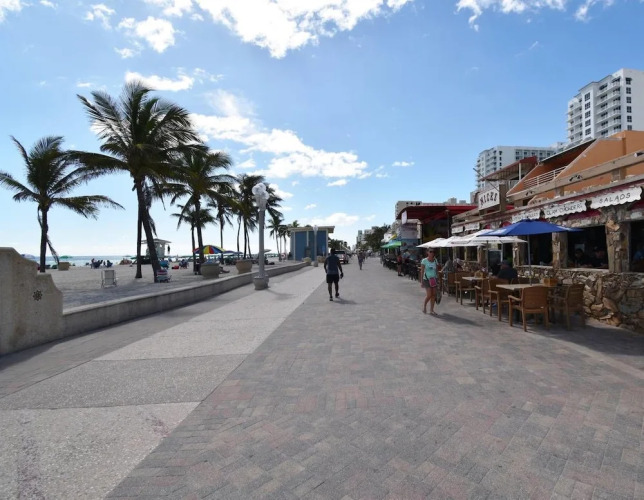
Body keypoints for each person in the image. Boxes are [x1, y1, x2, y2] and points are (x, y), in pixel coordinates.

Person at [420, 248, 441, 316]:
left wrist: (438, 279)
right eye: (430, 251)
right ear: (427, 252)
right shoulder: (424, 260)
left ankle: (431, 310)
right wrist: (421, 281)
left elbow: (436, 270)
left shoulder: (435, 260)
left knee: (434, 295)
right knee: (429, 295)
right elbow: (422, 271)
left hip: (434, 279)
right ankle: (424, 306)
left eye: (433, 252)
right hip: (427, 279)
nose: (432, 253)